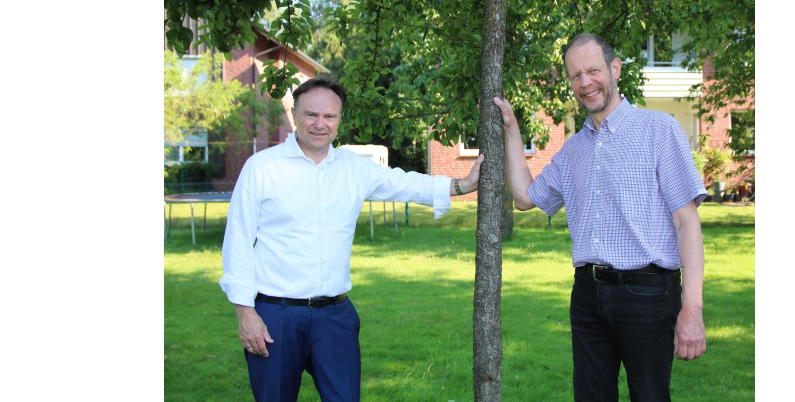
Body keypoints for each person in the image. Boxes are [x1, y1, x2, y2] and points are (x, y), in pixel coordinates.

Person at [219, 77, 484, 402]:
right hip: (275, 317)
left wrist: (462, 185)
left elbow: (405, 183)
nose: (320, 124)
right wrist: (246, 314)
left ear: (339, 119)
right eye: (311, 115)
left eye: (329, 116)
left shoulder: (354, 168)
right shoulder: (262, 168)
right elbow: (238, 244)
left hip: (335, 319)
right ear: (295, 116)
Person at [494, 33, 707, 401]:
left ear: (615, 68)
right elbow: (525, 197)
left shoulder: (659, 130)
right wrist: (512, 130)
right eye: (575, 75)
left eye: (593, 70)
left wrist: (693, 308)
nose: (585, 82)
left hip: (648, 293)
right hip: (588, 295)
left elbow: (686, 222)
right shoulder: (573, 149)